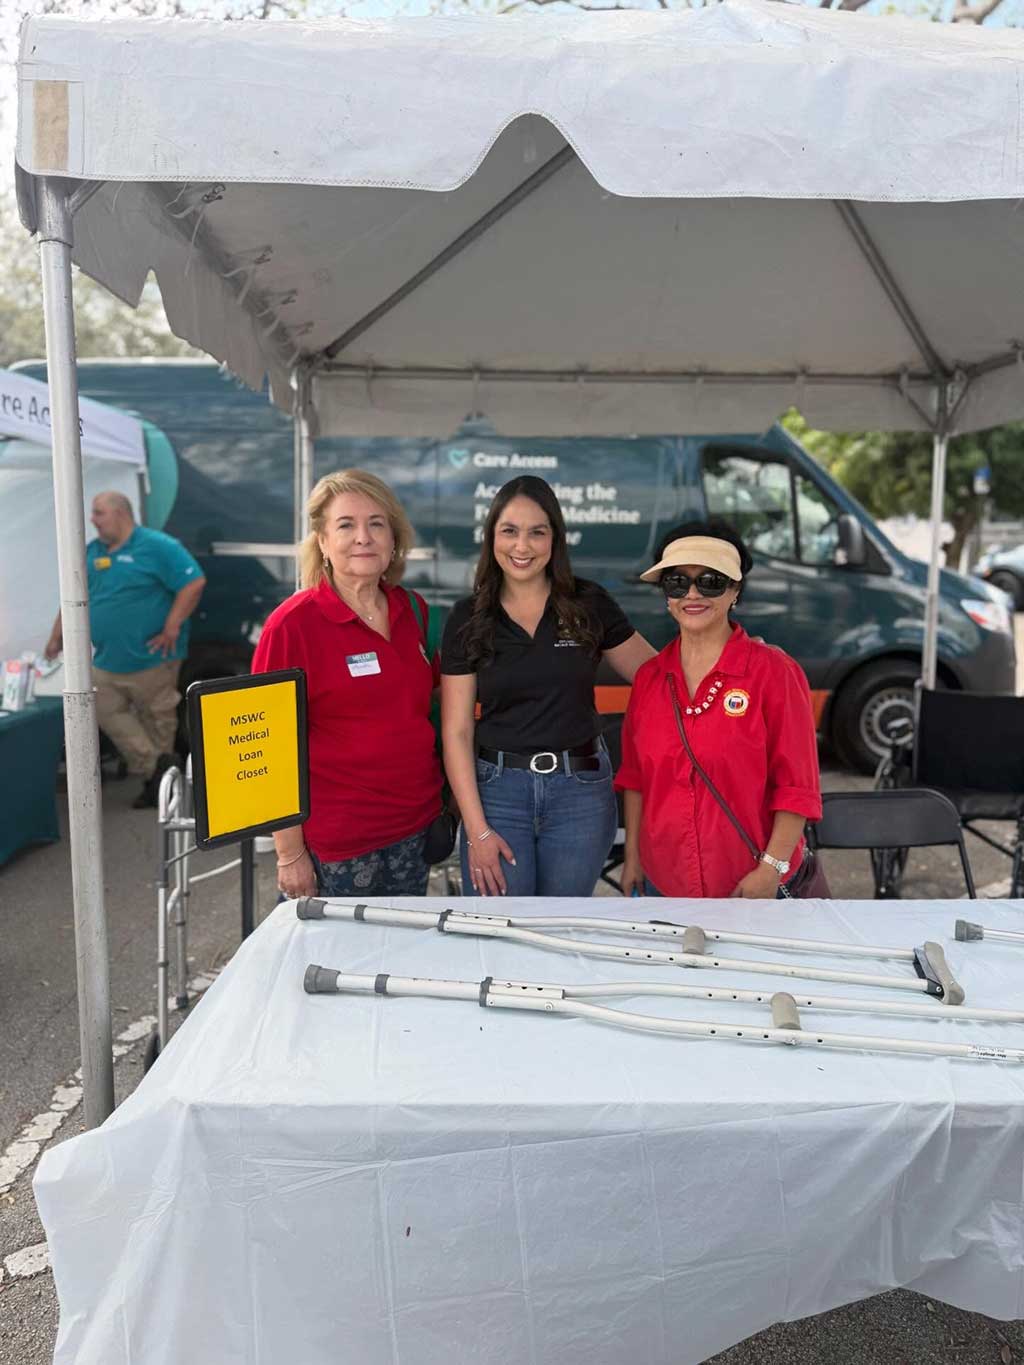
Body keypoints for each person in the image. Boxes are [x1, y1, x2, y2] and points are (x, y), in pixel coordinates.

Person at [441, 475, 655, 897]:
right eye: (510, 531)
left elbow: (657, 675)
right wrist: (477, 830)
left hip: (580, 795)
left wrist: (727, 655)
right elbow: (457, 730)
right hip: (497, 794)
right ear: (492, 537)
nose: (522, 547)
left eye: (537, 532)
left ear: (555, 539)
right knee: (499, 934)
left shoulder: (588, 604)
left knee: (563, 928)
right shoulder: (468, 618)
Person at [253, 469, 442, 899]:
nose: (364, 537)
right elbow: (270, 745)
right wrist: (289, 853)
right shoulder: (291, 625)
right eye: (346, 525)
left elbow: (426, 705)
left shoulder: (413, 609)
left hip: (415, 826)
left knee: (399, 955)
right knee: (333, 963)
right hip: (335, 841)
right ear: (322, 541)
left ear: (394, 538)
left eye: (377, 523)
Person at [616, 520, 824, 899]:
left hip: (752, 888)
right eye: (677, 582)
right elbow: (635, 780)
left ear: (735, 591)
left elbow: (797, 788)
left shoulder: (774, 673)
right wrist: (633, 857)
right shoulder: (649, 678)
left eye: (711, 581)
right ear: (666, 594)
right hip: (664, 883)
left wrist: (770, 870)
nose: (692, 594)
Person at [44, 492, 206, 809]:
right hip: (106, 660)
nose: (92, 519)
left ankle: (157, 789)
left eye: (98, 512)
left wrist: (172, 624)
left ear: (120, 513)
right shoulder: (91, 553)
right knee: (98, 708)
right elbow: (71, 598)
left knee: (157, 721)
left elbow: (193, 583)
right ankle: (157, 769)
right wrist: (55, 638)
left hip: (153, 658)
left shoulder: (158, 546)